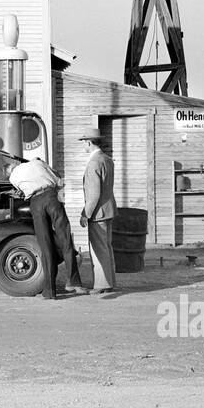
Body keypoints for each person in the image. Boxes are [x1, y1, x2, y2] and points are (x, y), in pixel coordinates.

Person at [8, 156, 82, 299]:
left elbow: (21, 192)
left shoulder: (13, 178)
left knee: (45, 246)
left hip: (35, 204)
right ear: (17, 164)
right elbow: (58, 179)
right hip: (51, 198)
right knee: (65, 240)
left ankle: (49, 292)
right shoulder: (37, 163)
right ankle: (73, 282)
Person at [78, 126, 117, 294]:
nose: (83, 146)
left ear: (89, 142)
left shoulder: (94, 162)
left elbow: (94, 195)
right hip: (108, 210)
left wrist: (85, 214)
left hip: (98, 213)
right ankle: (108, 283)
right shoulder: (107, 159)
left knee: (98, 249)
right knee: (106, 247)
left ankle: (102, 285)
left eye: (84, 143)